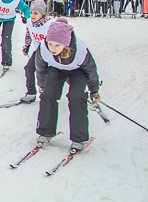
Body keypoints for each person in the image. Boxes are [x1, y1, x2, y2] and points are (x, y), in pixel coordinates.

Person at [34, 18, 100, 153]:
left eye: (57, 45)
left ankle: (79, 137)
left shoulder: (80, 51)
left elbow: (91, 70)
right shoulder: (43, 48)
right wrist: (42, 84)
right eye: (50, 43)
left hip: (78, 71)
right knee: (48, 95)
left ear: (66, 44)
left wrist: (94, 91)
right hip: (56, 69)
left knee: (76, 96)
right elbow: (40, 68)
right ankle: (46, 132)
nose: (52, 48)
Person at [19, 0, 54, 103]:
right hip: (39, 51)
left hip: (52, 52)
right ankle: (31, 93)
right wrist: (27, 45)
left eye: (36, 13)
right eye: (31, 13)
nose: (32, 16)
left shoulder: (50, 24)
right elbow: (29, 34)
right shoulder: (30, 22)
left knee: (54, 73)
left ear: (42, 14)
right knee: (29, 68)